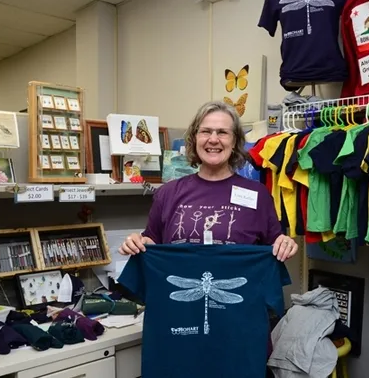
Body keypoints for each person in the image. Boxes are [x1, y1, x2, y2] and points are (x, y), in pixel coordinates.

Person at [119, 100, 298, 261]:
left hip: (240, 295)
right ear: (195, 138)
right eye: (205, 132)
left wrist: (284, 243)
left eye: (222, 133)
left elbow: (274, 244)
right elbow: (152, 241)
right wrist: (137, 242)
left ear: (234, 141)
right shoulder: (168, 193)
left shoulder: (258, 195)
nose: (213, 140)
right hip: (178, 294)